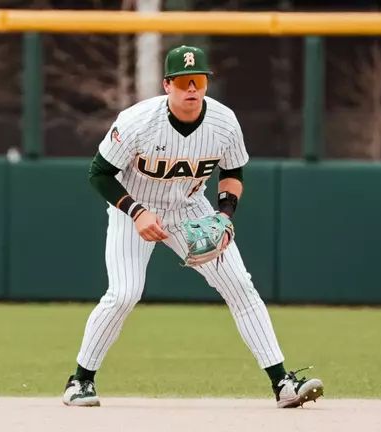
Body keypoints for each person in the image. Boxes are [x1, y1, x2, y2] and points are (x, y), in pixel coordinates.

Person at [62, 45, 324, 409]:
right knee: (124, 293)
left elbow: (232, 172)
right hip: (133, 209)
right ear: (167, 84)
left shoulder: (224, 122)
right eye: (184, 81)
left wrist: (225, 215)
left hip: (190, 207)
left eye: (198, 80)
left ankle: (282, 383)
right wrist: (136, 212)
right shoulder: (137, 121)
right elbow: (99, 173)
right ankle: (80, 381)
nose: (192, 89)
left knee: (240, 286)